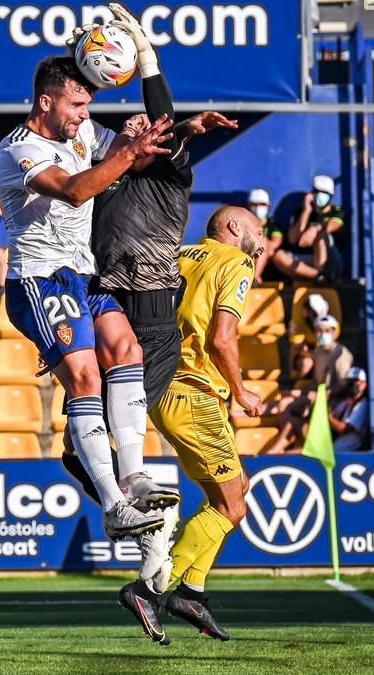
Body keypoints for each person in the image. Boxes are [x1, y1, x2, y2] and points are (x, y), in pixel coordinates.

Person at [47, 7, 240, 643]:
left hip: (152, 310)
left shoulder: (168, 167)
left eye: (148, 129)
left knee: (117, 426)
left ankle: (152, 564)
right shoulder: (116, 160)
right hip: (102, 295)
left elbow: (159, 125)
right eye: (132, 126)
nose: (138, 128)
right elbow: (107, 146)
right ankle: (146, 541)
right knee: (79, 443)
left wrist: (150, 62)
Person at [0, 51, 175, 542]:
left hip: (84, 274)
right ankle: (114, 505)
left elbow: (132, 151)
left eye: (89, 105)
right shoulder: (18, 149)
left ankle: (134, 475)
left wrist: (153, 136)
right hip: (40, 279)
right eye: (76, 104)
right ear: (46, 101)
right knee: (85, 373)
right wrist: (124, 153)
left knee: (127, 350)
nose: (84, 115)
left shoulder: (84, 133)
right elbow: (73, 191)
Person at [139, 205, 266, 642]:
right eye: (257, 230)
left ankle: (192, 591)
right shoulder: (237, 262)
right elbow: (221, 338)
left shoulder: (178, 256)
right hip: (194, 392)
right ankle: (151, 587)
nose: (262, 241)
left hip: (162, 389)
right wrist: (243, 390)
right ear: (234, 228)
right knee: (233, 507)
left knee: (236, 490)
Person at [267, 366, 369, 455]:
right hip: (332, 444)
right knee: (294, 424)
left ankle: (278, 456)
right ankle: (273, 452)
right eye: (350, 382)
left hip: (340, 450)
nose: (353, 385)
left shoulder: (362, 405)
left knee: (298, 452)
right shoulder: (347, 403)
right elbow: (330, 418)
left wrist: (326, 415)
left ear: (364, 384)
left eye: (356, 382)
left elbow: (343, 429)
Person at [280, 174, 345, 280]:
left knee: (321, 236)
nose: (319, 195)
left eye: (324, 193)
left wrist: (315, 229)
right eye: (316, 191)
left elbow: (334, 224)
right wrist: (306, 212)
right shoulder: (301, 212)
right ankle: (319, 277)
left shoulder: (337, 211)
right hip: (307, 261)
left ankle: (324, 273)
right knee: (279, 256)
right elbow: (292, 239)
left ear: (331, 195)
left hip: (331, 261)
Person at [247, 189, 286, 284]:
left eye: (262, 204)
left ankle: (255, 277)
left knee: (263, 241)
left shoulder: (272, 224)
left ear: (268, 205)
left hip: (268, 261)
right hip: (248, 258)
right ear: (249, 205)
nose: (258, 207)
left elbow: (276, 243)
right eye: (254, 204)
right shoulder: (244, 224)